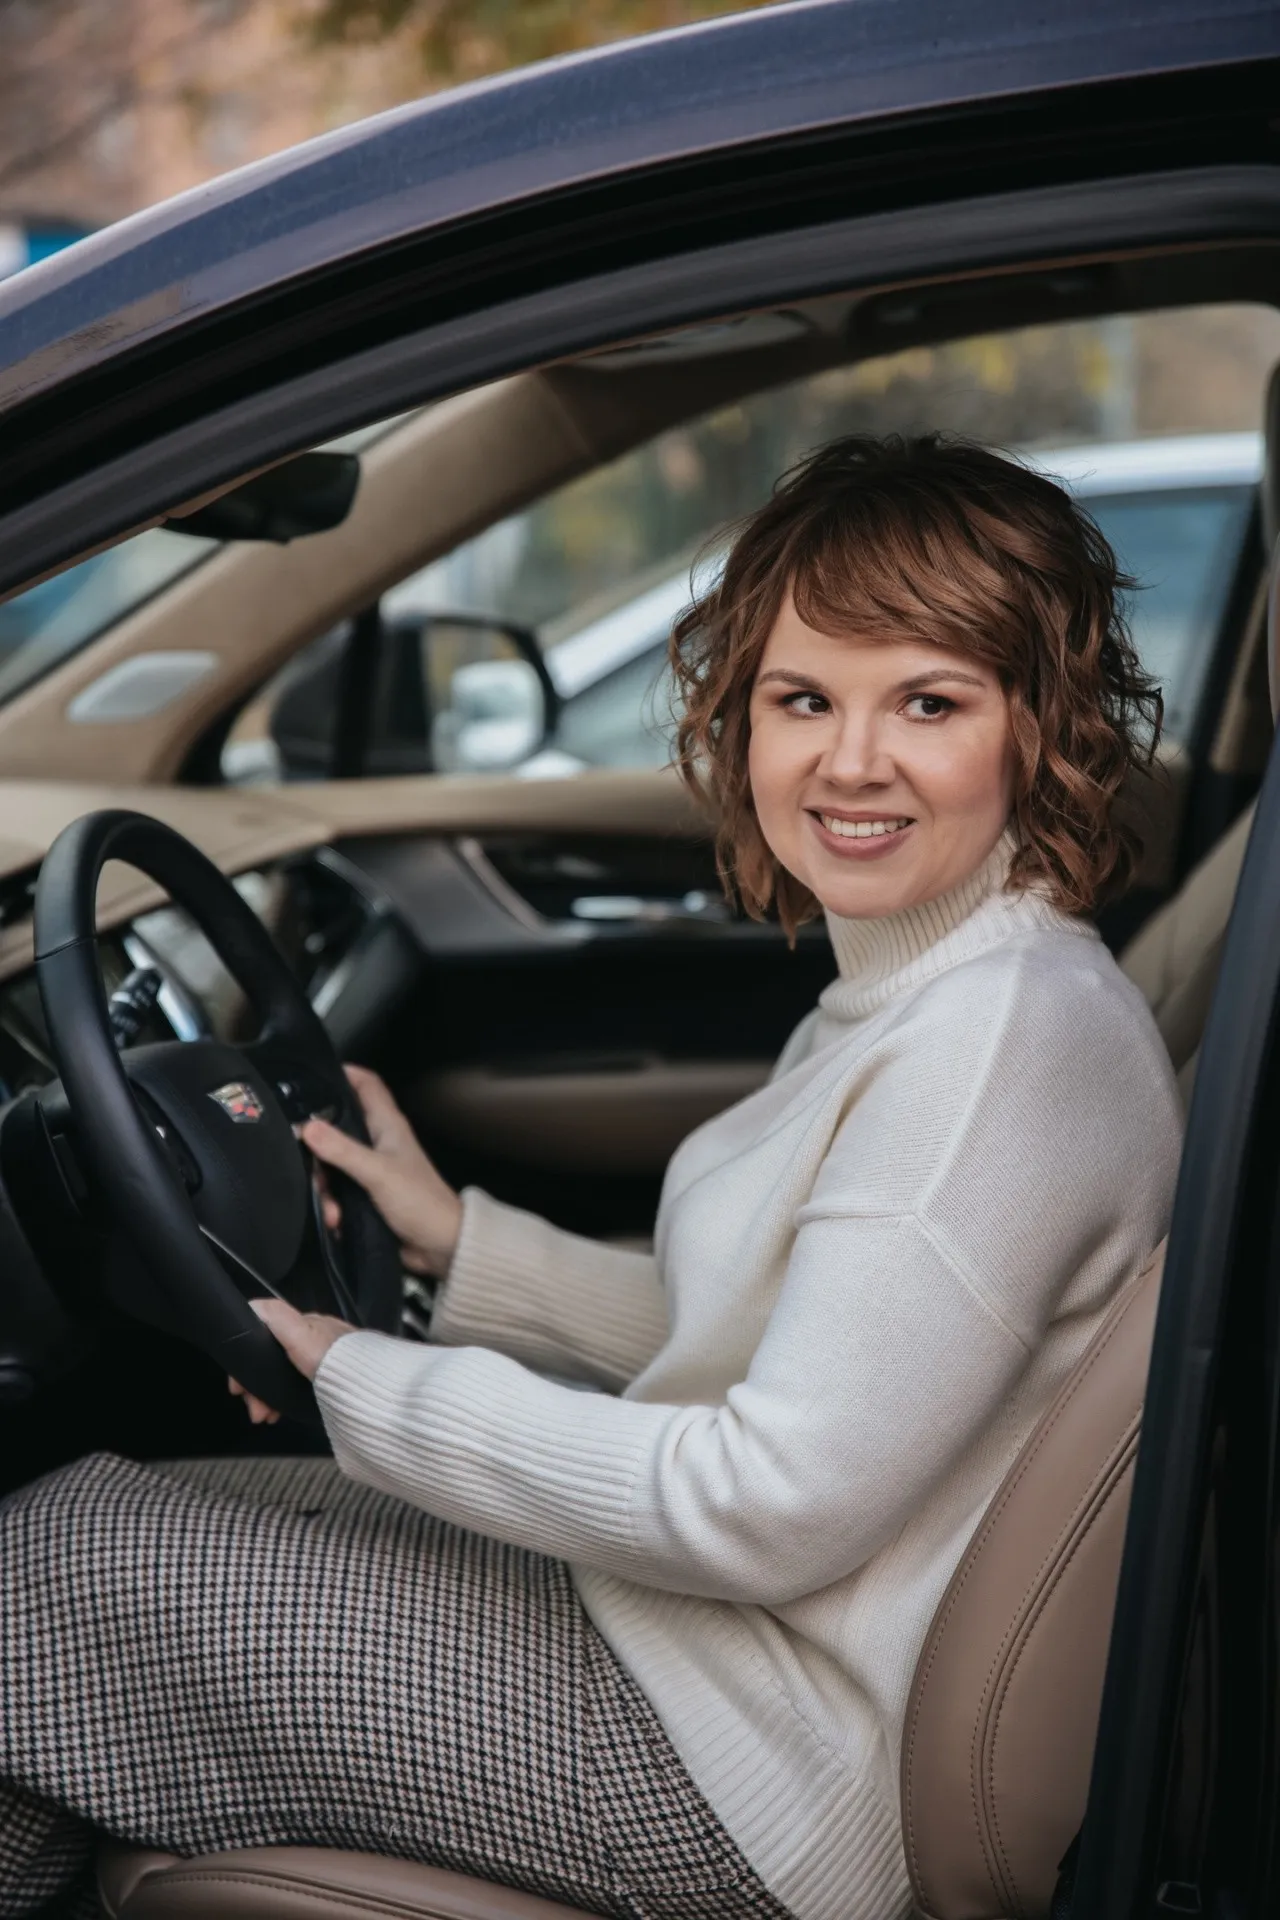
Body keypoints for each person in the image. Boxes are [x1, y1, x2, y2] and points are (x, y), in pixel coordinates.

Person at [0, 435, 1182, 1920]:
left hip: (758, 1775)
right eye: (803, 699)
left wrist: (363, 1375)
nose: (850, 761)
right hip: (714, 1664)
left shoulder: (995, 1049)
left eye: (928, 703)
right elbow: (786, 1342)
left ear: (1040, 727)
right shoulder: (938, 985)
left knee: (36, 1569)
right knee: (124, 1511)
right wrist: (455, 1243)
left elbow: (764, 1500)